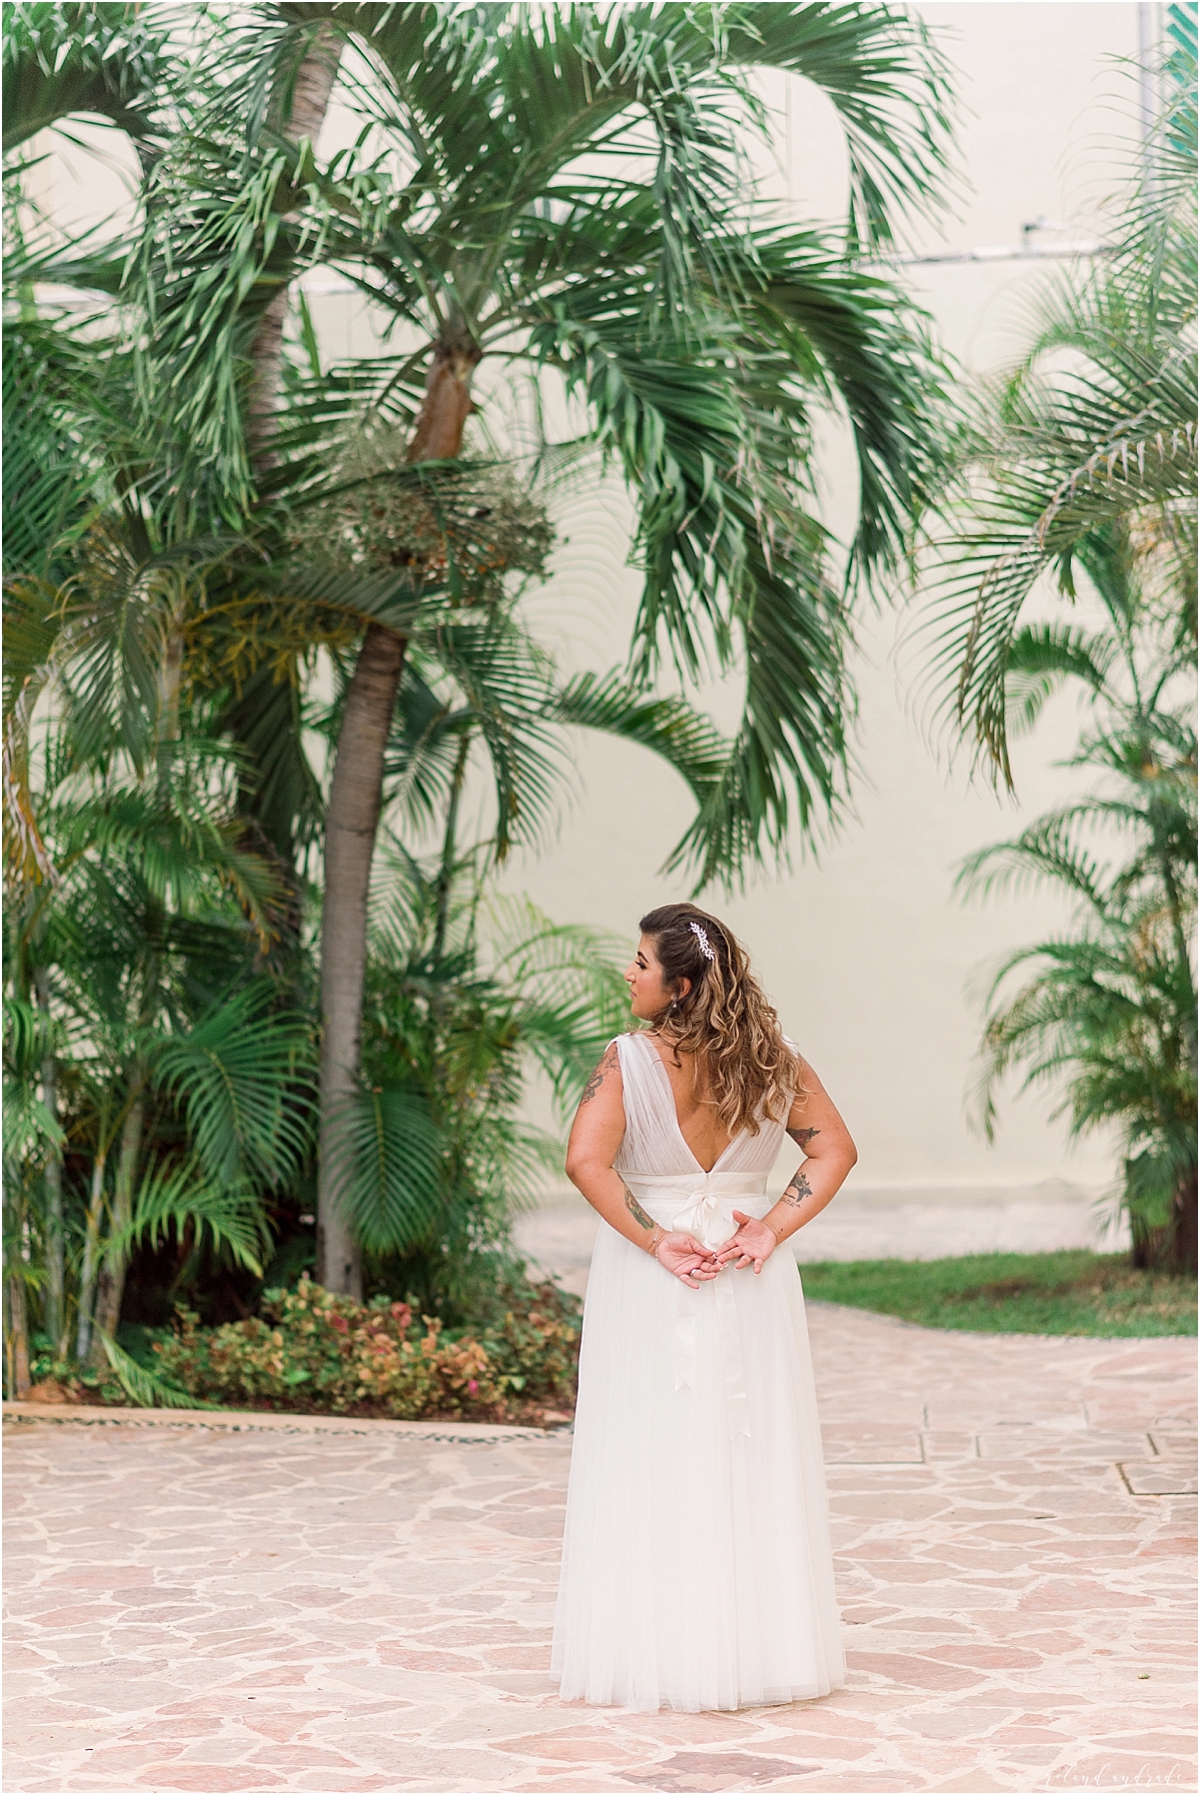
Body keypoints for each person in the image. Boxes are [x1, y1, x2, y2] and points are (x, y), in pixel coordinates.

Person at [551, 902, 856, 1714]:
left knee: (651, 1447)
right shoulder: (775, 1058)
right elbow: (834, 1147)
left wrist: (656, 1239)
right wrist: (771, 1229)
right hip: (747, 1266)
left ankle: (658, 1650)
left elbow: (586, 1160)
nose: (630, 972)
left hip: (658, 1274)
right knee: (747, 1449)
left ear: (680, 986)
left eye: (642, 963)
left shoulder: (628, 1060)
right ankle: (762, 1647)